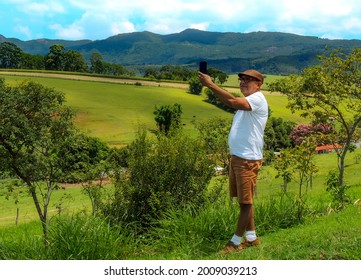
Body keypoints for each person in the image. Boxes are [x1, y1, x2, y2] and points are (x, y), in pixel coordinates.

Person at [198, 69, 268, 254]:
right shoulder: (249, 102)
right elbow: (230, 101)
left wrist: (210, 85)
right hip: (239, 157)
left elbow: (231, 101)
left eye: (248, 80)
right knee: (245, 200)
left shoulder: (257, 99)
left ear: (258, 84)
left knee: (245, 202)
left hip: (248, 159)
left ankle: (235, 242)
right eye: (241, 79)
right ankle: (251, 238)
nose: (243, 82)